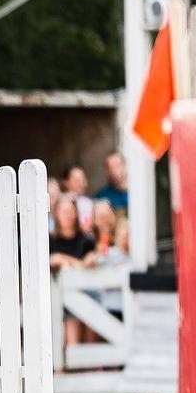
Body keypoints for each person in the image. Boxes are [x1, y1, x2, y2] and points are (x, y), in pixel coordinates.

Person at [49, 194, 98, 353]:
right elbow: (50, 262)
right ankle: (72, 356)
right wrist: (75, 263)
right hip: (57, 298)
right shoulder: (49, 240)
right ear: (56, 214)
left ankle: (89, 361)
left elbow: (89, 264)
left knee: (90, 306)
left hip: (86, 294)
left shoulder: (86, 240)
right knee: (68, 313)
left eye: (70, 211)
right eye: (63, 211)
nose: (68, 215)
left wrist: (64, 259)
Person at [94, 150, 128, 216]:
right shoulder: (102, 197)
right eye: (110, 167)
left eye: (117, 166)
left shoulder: (139, 194)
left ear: (124, 165)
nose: (114, 170)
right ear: (107, 171)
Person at [60, 165, 94, 230]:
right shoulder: (60, 202)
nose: (81, 184)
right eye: (77, 180)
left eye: (83, 180)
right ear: (66, 182)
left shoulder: (88, 203)